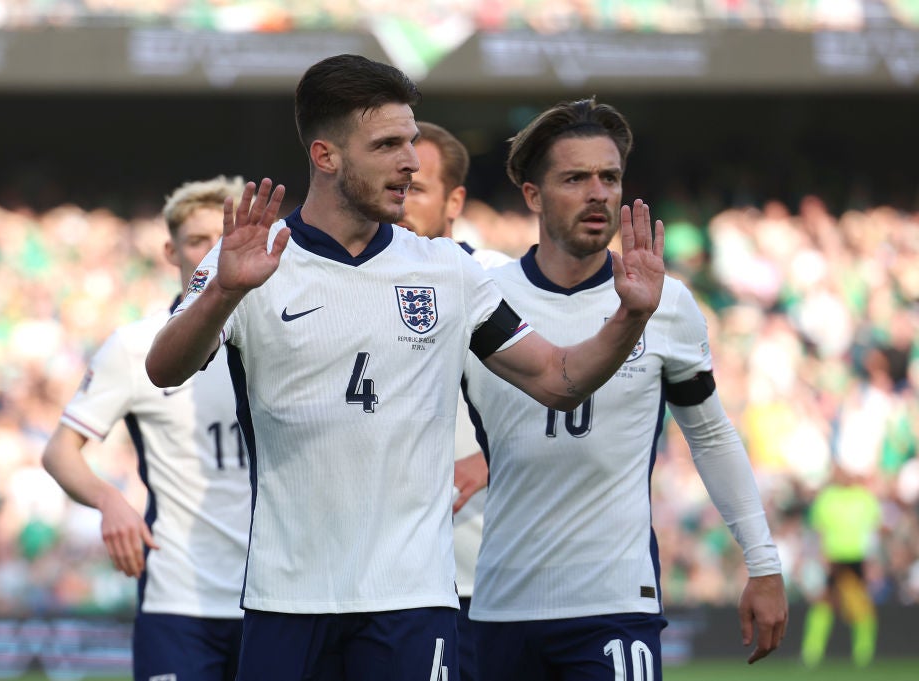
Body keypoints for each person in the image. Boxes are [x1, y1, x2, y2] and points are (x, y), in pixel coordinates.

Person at [144, 54, 664, 681]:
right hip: (287, 598)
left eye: (412, 140)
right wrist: (224, 293)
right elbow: (164, 368)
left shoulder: (448, 270)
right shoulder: (255, 260)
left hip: (412, 604)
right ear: (326, 156)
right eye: (388, 144)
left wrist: (629, 316)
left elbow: (556, 378)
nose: (411, 161)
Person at [460, 98, 789, 681]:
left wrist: (763, 564)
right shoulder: (481, 299)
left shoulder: (668, 302)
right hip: (498, 605)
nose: (598, 193)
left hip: (615, 605)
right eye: (575, 178)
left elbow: (709, 435)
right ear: (533, 196)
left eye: (609, 177)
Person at [41, 176, 252, 681]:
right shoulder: (136, 347)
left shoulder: (277, 336)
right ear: (169, 250)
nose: (211, 251)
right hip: (177, 596)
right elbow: (59, 452)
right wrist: (111, 501)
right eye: (197, 240)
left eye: (221, 236)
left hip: (274, 594)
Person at [401, 120, 510, 681]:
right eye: (396, 185)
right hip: (393, 581)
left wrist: (492, 457)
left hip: (487, 577)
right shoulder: (352, 280)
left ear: (455, 200)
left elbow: (575, 396)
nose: (401, 202)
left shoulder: (498, 280)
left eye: (417, 188)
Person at [801, 464, 882, 668]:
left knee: (861, 608)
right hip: (833, 558)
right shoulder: (827, 498)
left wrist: (872, 561)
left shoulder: (864, 498)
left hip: (857, 559)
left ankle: (863, 653)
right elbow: (818, 529)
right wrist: (821, 555)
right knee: (824, 604)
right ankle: (812, 652)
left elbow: (873, 531)